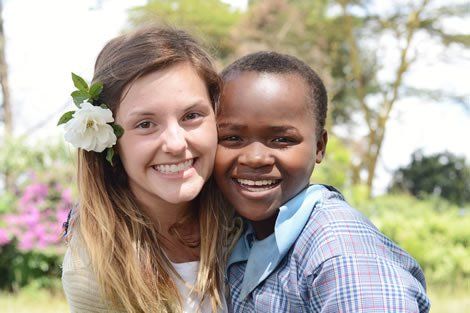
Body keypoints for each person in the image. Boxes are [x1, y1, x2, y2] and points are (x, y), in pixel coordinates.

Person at [214, 51, 431, 312]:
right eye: (232, 138)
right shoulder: (234, 235)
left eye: (282, 139)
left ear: (319, 146)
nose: (256, 158)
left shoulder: (342, 253)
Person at [60, 26, 233, 313]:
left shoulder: (243, 219)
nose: (176, 144)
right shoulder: (93, 269)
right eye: (145, 124)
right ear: (110, 141)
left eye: (191, 116)